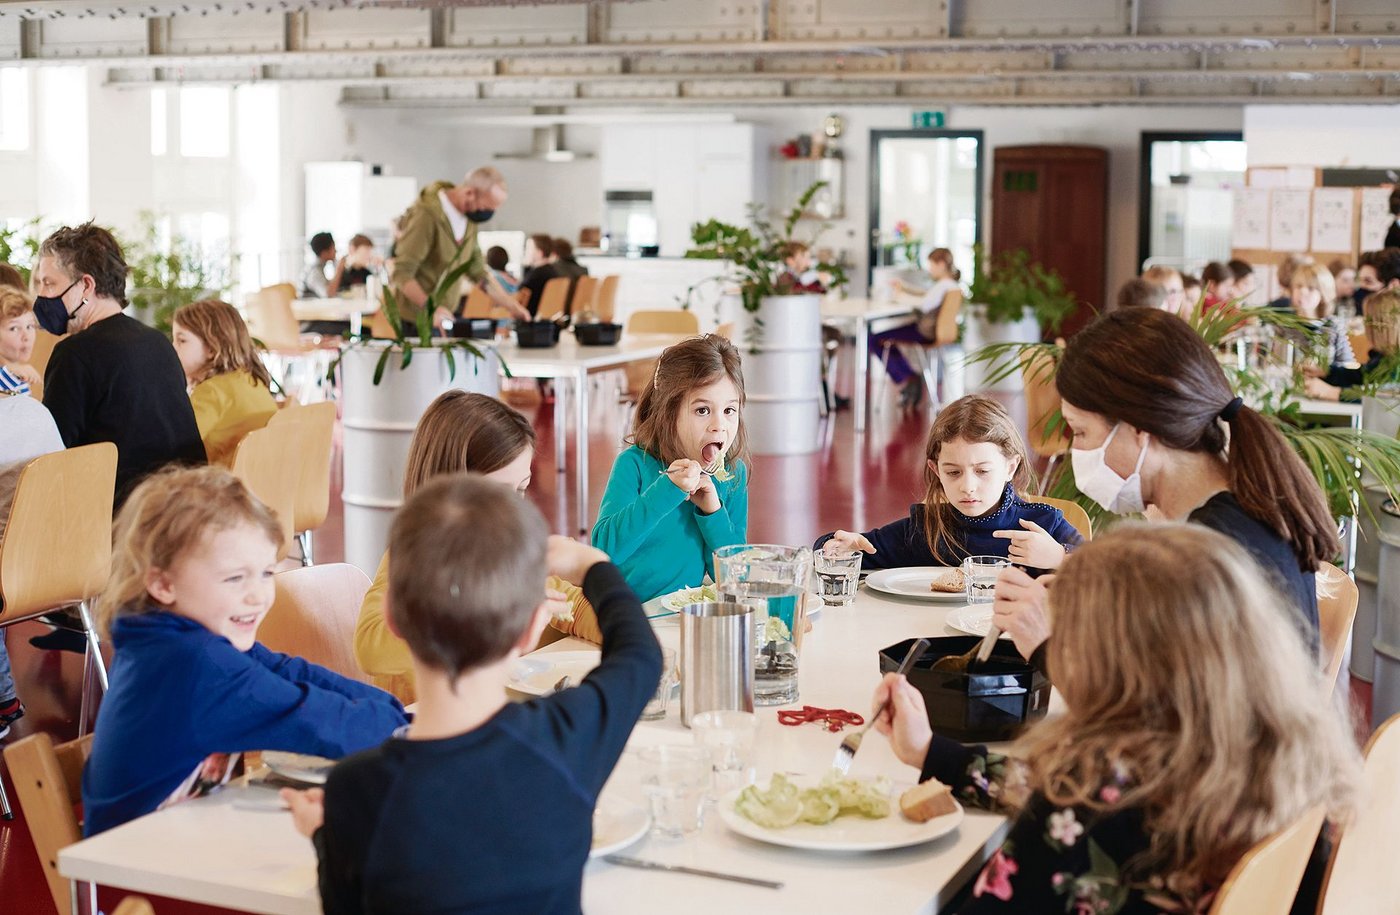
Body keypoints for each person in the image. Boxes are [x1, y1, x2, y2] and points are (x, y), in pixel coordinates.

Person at [875, 524, 1361, 914]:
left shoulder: (1091, 799)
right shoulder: (1268, 752)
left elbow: (1068, 812)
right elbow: (1076, 796)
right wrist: (933, 753)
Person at [281, 475, 663, 914]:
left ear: (392, 620)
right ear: (530, 629)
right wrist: (594, 565)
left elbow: (342, 905)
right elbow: (641, 657)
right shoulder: (565, 741)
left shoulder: (358, 788)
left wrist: (324, 836)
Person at [994, 308, 1333, 668]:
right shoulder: (1234, 511)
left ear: (1139, 430)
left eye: (1080, 432)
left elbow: (1150, 710)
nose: (1077, 451)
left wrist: (1046, 646)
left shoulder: (1211, 552)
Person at [82, 466, 407, 836]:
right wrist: (407, 732)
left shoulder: (175, 641)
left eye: (267, 573)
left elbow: (290, 673)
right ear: (162, 583)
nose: (258, 595)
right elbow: (311, 718)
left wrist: (392, 714)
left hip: (169, 850)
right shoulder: (193, 665)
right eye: (235, 577)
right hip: (130, 879)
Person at [354, 390, 601, 703]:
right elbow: (370, 649)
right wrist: (492, 619)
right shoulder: (412, 560)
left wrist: (619, 625)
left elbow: (575, 607)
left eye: (521, 489)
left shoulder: (510, 551)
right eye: (496, 493)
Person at [35, 223, 205, 507]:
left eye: (49, 283)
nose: (40, 295)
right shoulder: (157, 341)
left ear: (86, 286)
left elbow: (51, 457)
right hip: (181, 507)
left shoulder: (74, 354)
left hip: (118, 518)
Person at [815, 395, 1081, 571]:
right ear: (936, 470)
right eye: (953, 472)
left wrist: (1060, 558)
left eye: (982, 471)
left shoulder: (1043, 525)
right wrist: (837, 547)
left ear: (1010, 467)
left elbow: (1106, 575)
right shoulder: (924, 528)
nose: (968, 486)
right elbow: (853, 549)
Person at [592, 335, 749, 602]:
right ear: (668, 411)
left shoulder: (733, 474)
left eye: (729, 410)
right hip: (628, 615)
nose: (718, 425)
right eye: (702, 410)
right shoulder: (634, 464)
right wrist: (667, 489)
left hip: (682, 617)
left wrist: (712, 512)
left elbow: (734, 576)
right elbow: (605, 551)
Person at [390, 166, 528, 328]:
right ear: (469, 193)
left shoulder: (469, 219)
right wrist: (431, 308)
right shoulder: (427, 215)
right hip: (416, 322)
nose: (488, 214)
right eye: (486, 208)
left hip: (446, 317)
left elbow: (478, 272)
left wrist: (513, 307)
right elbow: (402, 272)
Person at [170, 299, 278, 467]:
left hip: (221, 486)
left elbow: (173, 443)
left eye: (181, 341)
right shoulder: (251, 379)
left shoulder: (213, 391)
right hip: (259, 481)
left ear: (212, 349)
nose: (172, 348)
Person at [875, 247, 963, 409]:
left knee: (875, 338)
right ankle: (909, 377)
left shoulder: (943, 285)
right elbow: (926, 295)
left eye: (932, 265)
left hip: (924, 332)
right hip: (936, 332)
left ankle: (908, 377)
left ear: (941, 264)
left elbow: (924, 304)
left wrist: (898, 297)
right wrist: (905, 287)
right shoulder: (951, 285)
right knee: (887, 338)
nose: (930, 269)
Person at [1305, 288, 1400, 402]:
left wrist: (1335, 393)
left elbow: (1382, 397)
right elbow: (1359, 377)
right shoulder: (1383, 357)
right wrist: (1327, 372)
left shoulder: (1395, 366)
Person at [1286, 262, 1354, 367]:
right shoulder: (1284, 325)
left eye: (1311, 288)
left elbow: (1347, 365)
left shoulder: (1333, 325)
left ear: (1323, 293)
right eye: (1298, 287)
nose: (1303, 292)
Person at [0, 283, 40, 393]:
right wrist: (9, 371)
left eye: (29, 326)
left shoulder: (18, 376)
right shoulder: (10, 374)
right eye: (14, 328)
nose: (26, 336)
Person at [517, 233, 561, 318]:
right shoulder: (553, 272)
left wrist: (525, 267)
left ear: (539, 253)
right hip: (546, 322)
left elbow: (519, 297)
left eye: (528, 249)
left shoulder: (536, 275)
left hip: (528, 319)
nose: (525, 252)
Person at [301, 232, 346, 299]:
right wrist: (339, 269)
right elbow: (329, 294)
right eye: (333, 247)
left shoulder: (316, 267)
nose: (336, 251)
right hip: (311, 308)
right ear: (324, 252)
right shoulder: (314, 272)